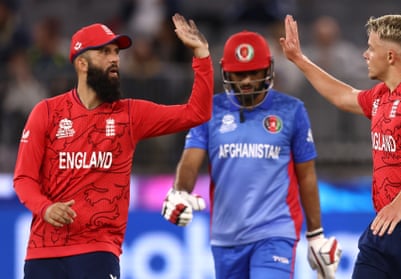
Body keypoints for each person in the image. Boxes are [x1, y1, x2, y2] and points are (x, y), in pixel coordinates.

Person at [13, 13, 213, 279]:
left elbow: (196, 113)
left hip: (98, 251)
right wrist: (46, 208)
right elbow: (24, 178)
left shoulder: (130, 115)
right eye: (105, 52)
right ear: (82, 63)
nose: (115, 59)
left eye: (116, 53)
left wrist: (201, 55)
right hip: (42, 252)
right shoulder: (47, 112)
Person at [280, 14, 401, 278]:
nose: (365, 54)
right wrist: (299, 60)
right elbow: (343, 96)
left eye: (371, 48)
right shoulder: (382, 95)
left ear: (390, 56)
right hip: (383, 228)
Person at [161, 30, 341, 278]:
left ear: (268, 69)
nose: (246, 81)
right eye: (240, 74)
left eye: (253, 72)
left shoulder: (292, 111)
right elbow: (190, 162)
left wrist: (315, 235)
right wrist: (180, 192)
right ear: (227, 72)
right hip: (225, 237)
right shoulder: (208, 111)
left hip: (276, 232)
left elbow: (307, 176)